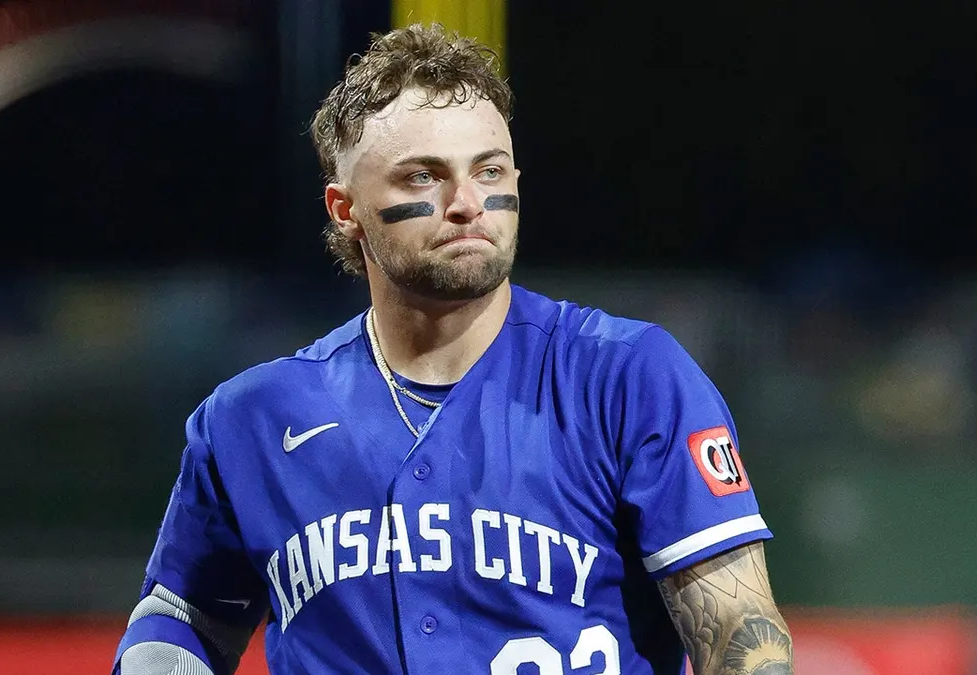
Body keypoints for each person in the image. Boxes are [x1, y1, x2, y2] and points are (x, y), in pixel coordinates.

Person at [112, 23, 794, 675]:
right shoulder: (252, 419)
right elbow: (182, 617)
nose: (468, 202)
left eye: (489, 170)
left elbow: (740, 630)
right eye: (422, 177)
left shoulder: (627, 378)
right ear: (345, 210)